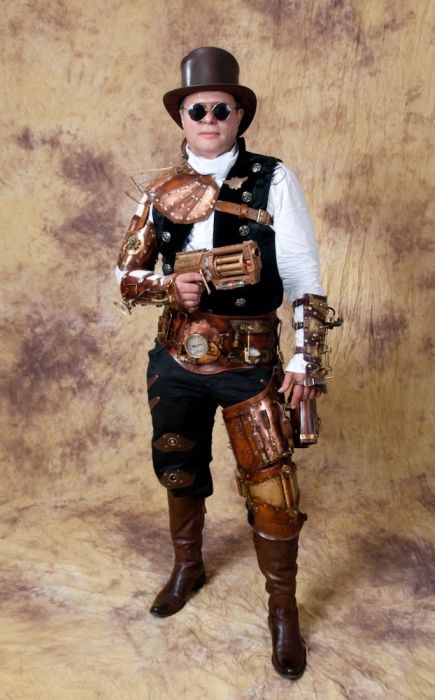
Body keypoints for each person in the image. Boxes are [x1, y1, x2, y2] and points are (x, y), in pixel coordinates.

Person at [115, 47, 340, 680]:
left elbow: (303, 273)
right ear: (181, 118)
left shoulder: (273, 178)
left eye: (222, 109)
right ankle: (187, 566)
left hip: (250, 359)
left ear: (239, 115)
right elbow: (124, 275)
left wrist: (305, 360)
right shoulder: (160, 190)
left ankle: (282, 611)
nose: (210, 119)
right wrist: (167, 286)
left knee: (271, 486)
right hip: (176, 357)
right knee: (178, 465)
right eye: (198, 110)